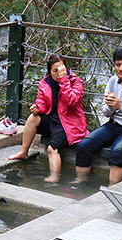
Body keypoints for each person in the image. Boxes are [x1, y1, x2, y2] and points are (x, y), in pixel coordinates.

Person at [74, 47, 122, 184]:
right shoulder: (112, 81)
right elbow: (105, 113)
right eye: (117, 65)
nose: (121, 69)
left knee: (117, 153)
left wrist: (121, 107)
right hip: (114, 125)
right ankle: (81, 184)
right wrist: (110, 107)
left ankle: (112, 190)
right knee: (83, 146)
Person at [9, 54, 89, 182]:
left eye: (61, 69)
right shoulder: (45, 83)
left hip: (69, 125)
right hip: (52, 121)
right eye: (55, 71)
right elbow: (42, 102)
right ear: (49, 71)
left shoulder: (76, 82)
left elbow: (72, 101)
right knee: (32, 118)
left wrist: (64, 81)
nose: (58, 73)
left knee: (52, 149)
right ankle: (24, 152)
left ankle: (54, 177)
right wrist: (37, 108)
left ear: (66, 68)